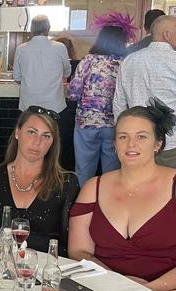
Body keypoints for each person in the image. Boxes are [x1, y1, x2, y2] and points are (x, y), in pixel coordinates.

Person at [68, 99, 176, 291]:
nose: (131, 145)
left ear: (158, 144)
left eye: (141, 137)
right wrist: (116, 282)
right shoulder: (94, 187)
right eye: (123, 137)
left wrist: (149, 288)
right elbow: (79, 250)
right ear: (115, 144)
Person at [0, 106, 79, 256]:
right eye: (32, 132)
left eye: (46, 136)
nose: (37, 142)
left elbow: (69, 246)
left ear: (53, 142)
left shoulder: (66, 183)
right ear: (17, 133)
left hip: (43, 272)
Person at [69, 22, 128, 186]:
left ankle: (82, 205)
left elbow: (73, 92)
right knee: (112, 172)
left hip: (86, 122)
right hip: (115, 124)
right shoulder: (125, 62)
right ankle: (108, 207)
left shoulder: (88, 60)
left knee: (84, 170)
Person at [113, 15, 176, 168]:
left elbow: (119, 103)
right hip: (172, 142)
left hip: (136, 142)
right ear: (167, 35)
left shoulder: (129, 60)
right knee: (170, 188)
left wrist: (122, 136)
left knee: (137, 188)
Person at [13, 15, 72, 113]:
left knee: (30, 128)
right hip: (54, 104)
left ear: (31, 29)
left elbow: (17, 78)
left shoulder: (21, 49)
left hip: (29, 104)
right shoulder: (60, 47)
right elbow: (67, 73)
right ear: (48, 28)